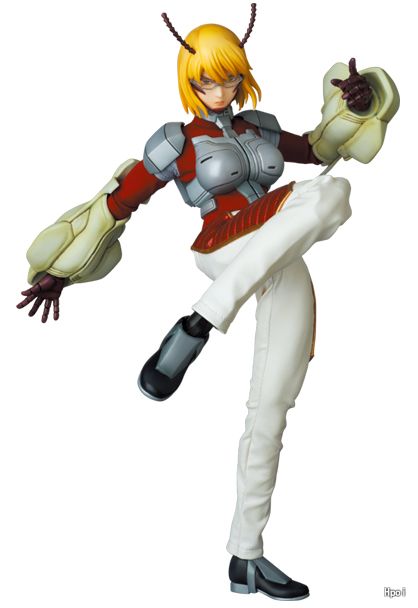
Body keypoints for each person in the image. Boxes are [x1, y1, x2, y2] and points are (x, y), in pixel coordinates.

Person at [17, 4, 399, 601]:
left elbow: (320, 146)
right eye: (207, 81)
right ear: (189, 82)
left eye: (229, 78)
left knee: (272, 405)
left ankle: (247, 557)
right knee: (333, 193)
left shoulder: (260, 127)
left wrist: (356, 102)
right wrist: (62, 272)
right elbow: (119, 201)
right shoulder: (178, 141)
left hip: (275, 255)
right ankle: (200, 321)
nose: (220, 91)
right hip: (224, 243)